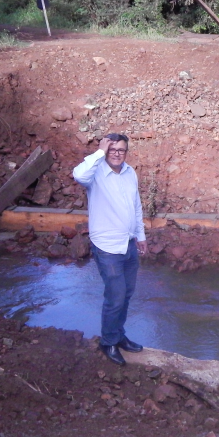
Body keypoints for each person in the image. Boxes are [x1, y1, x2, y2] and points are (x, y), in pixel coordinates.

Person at [73, 133, 148, 366]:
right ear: (106, 150)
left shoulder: (130, 172)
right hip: (106, 247)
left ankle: (119, 336)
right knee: (115, 297)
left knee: (126, 295)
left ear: (127, 152)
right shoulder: (95, 173)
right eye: (112, 149)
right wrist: (98, 152)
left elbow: (136, 206)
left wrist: (141, 235)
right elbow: (77, 174)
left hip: (127, 242)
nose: (117, 153)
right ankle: (108, 342)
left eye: (121, 150)